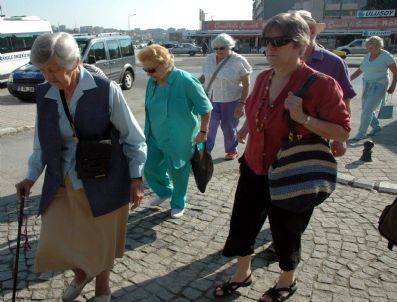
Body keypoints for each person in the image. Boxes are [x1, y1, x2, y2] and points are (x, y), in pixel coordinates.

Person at [213, 13, 350, 302]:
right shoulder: (263, 77)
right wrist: (247, 126)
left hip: (290, 170)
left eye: (279, 41)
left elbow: (342, 131)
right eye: (267, 41)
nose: (270, 48)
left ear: (301, 46)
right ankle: (242, 274)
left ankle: (287, 280)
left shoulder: (321, 85)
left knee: (286, 231)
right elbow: (257, 109)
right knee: (242, 224)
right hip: (253, 166)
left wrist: (303, 117)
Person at [14, 32, 147, 302]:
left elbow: (134, 138)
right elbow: (42, 143)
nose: (48, 77)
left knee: (101, 242)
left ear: (75, 62)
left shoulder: (106, 90)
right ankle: (81, 273)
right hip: (61, 179)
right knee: (55, 242)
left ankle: (102, 288)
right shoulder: (45, 93)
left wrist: (136, 179)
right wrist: (29, 177)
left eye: (54, 69)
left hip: (105, 177)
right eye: (43, 70)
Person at [138, 44, 212, 218]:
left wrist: (203, 131)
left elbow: (205, 108)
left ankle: (179, 202)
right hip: (154, 135)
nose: (148, 74)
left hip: (180, 137)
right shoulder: (152, 82)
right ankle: (164, 191)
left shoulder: (186, 80)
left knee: (179, 171)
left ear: (165, 63)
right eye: (145, 70)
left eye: (151, 70)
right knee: (150, 167)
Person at [296, 10, 356, 157]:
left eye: (310, 27)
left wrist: (339, 139)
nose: (308, 31)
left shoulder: (334, 63)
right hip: (284, 132)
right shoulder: (284, 59)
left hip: (319, 134)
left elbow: (345, 102)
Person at [199, 33, 252, 160]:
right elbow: (204, 77)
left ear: (230, 46)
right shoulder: (209, 59)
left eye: (222, 48)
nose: (218, 51)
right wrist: (192, 84)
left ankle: (231, 150)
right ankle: (206, 152)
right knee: (209, 127)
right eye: (216, 48)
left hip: (231, 100)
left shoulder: (239, 60)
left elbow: (246, 84)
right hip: (211, 99)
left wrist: (242, 103)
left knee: (228, 127)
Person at [350, 35, 397, 140]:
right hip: (367, 84)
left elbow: (395, 72)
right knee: (366, 108)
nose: (368, 49)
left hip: (380, 85)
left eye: (370, 47)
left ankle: (361, 133)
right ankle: (376, 127)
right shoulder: (367, 56)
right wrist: (348, 80)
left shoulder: (386, 56)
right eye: (368, 47)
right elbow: (360, 70)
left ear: (378, 46)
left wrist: (393, 85)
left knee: (367, 110)